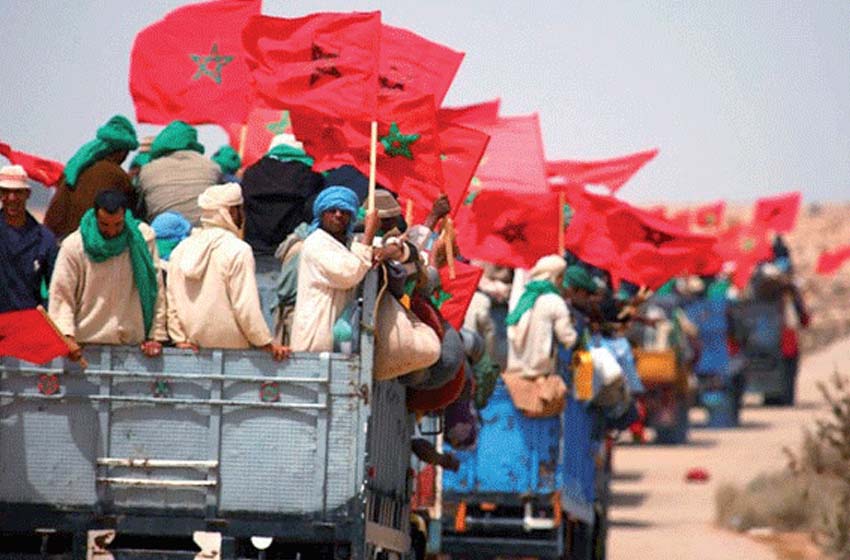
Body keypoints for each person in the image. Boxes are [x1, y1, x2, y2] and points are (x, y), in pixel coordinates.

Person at [165, 183, 289, 360]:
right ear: (231, 212)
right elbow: (245, 306)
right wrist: (265, 342)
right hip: (235, 356)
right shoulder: (238, 249)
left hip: (190, 351)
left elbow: (172, 299)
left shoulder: (181, 249)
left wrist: (179, 339)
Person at [48, 190, 167, 359]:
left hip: (132, 348)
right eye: (104, 225)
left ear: (125, 216)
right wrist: (66, 335)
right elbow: (62, 295)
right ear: (96, 217)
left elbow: (155, 287)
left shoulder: (142, 239)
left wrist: (156, 334)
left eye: (118, 224)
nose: (112, 231)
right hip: (86, 344)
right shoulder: (74, 246)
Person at [290, 186, 379, 352]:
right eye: (332, 210)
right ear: (322, 214)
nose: (338, 215)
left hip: (340, 340)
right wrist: (368, 234)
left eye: (344, 211)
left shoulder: (348, 244)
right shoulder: (316, 243)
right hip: (315, 340)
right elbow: (349, 273)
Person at [43, 115, 139, 239]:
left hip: (59, 241)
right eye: (126, 153)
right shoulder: (118, 176)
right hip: (94, 244)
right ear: (121, 152)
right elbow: (132, 215)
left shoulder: (76, 166)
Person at [137, 120, 221, 226]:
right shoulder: (212, 167)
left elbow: (138, 209)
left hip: (162, 236)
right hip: (204, 233)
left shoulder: (147, 170)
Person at [506, 255, 577, 378]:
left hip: (515, 373)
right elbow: (567, 337)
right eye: (561, 276)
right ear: (556, 277)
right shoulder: (554, 301)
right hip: (539, 374)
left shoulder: (523, 298)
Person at [0, 165, 58, 312]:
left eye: (18, 192)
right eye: (5, 192)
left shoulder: (45, 239)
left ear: (28, 194)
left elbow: (57, 286)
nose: (11, 198)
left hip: (29, 321)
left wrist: (45, 308)